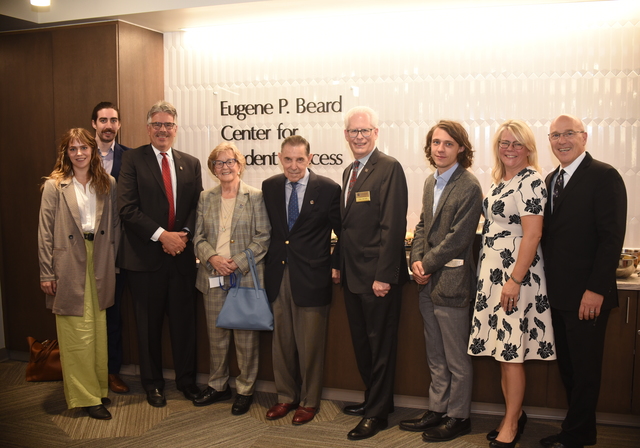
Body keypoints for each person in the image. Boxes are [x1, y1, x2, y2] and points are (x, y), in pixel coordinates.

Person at [540, 115, 627, 448]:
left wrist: (596, 290)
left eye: (569, 134)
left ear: (584, 137)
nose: (562, 141)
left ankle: (575, 435)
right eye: (556, 135)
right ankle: (581, 431)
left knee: (586, 371)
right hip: (558, 296)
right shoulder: (550, 180)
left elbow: (611, 239)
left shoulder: (604, 176)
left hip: (588, 296)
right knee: (570, 370)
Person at [468, 120, 556, 448]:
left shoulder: (530, 180)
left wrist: (514, 281)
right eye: (505, 142)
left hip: (514, 277)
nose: (510, 148)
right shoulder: (499, 180)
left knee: (511, 354)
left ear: (529, 149)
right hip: (493, 277)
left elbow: (533, 234)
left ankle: (511, 425)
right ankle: (513, 415)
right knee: (503, 354)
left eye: (517, 144)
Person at [399, 121, 482, 442]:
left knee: (456, 359)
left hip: (451, 284)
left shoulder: (469, 186)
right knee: (435, 354)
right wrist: (415, 262)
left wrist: (427, 264)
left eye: (448, 143)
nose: (440, 149)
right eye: (436, 143)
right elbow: (422, 226)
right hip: (426, 282)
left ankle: (458, 416)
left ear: (461, 147)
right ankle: (437, 409)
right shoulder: (430, 182)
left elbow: (458, 238)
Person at [118, 101, 203, 407]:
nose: (163, 130)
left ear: (176, 129)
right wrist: (161, 236)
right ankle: (153, 384)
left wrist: (185, 236)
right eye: (157, 124)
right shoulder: (131, 160)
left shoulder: (190, 163)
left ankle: (187, 382)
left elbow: (197, 207)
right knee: (148, 327)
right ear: (148, 128)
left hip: (181, 258)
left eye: (168, 125)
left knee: (184, 326)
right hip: (145, 260)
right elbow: (127, 208)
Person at [338, 106, 409, 441]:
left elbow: (393, 226)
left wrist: (384, 275)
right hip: (352, 276)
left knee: (380, 346)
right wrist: (338, 264)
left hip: (376, 278)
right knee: (363, 345)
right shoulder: (348, 172)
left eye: (365, 131)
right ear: (346, 135)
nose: (359, 136)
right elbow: (347, 227)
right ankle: (375, 399)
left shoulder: (388, 168)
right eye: (354, 131)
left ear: (376, 133)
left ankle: (377, 414)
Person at [38, 128, 119, 420]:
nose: (79, 154)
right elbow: (45, 232)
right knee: (76, 332)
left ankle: (97, 390)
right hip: (68, 262)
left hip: (99, 260)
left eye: (84, 148)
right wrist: (46, 272)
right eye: (73, 149)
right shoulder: (54, 185)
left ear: (93, 150)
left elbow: (115, 228)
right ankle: (83, 397)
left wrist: (112, 263)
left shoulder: (107, 182)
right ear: (66, 154)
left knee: (97, 329)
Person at [261, 135, 341, 425]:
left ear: (310, 158)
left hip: (312, 276)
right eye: (288, 159)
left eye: (299, 159)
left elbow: (342, 232)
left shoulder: (329, 189)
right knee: (281, 342)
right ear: (280, 158)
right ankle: (285, 396)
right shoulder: (269, 187)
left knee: (310, 345)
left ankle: (309, 401)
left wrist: (336, 264)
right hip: (277, 274)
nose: (293, 166)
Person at [192, 142, 270, 415]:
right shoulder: (206, 198)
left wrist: (236, 262)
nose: (224, 167)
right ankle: (217, 385)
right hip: (212, 275)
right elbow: (198, 237)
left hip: (244, 277)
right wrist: (213, 258)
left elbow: (263, 237)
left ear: (240, 165)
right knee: (217, 336)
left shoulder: (255, 196)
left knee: (245, 338)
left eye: (230, 162)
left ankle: (245, 389)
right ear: (213, 169)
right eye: (219, 163)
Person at [91, 101, 131, 394]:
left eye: (113, 120)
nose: (108, 125)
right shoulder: (78, 154)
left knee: (112, 312)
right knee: (84, 313)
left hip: (116, 249)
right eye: (103, 120)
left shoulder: (130, 158)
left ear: (119, 125)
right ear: (94, 123)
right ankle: (87, 369)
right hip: (84, 247)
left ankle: (111, 371)